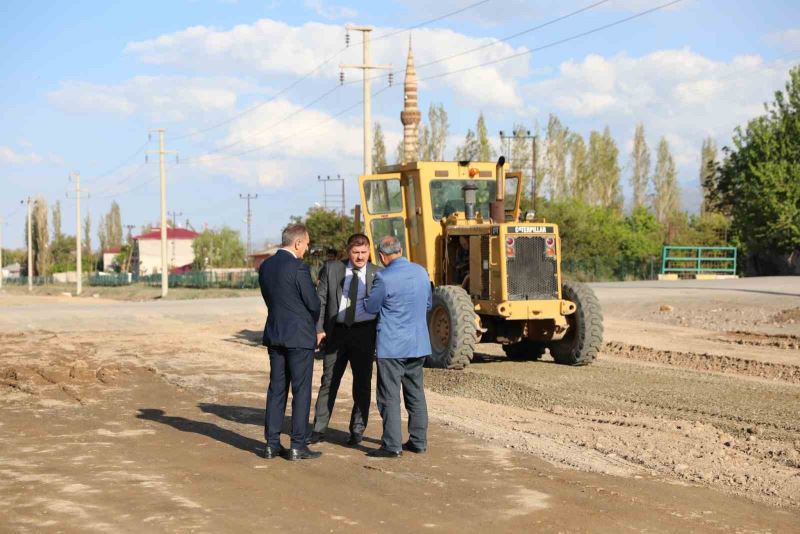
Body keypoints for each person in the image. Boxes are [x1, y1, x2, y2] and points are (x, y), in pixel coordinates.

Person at [309, 233, 381, 446]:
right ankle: (319, 429)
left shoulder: (379, 274)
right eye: (356, 252)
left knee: (362, 384)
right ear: (348, 251)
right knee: (329, 381)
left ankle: (357, 430)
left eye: (364, 252)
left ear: (369, 251)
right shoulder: (332, 269)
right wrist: (319, 328)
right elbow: (320, 301)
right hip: (337, 332)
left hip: (364, 333)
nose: (360, 257)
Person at [258, 223, 322, 461]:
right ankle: (297, 445)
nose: (306, 248)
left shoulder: (265, 266)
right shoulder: (298, 267)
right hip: (299, 336)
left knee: (276, 389)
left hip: (275, 333)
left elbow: (270, 299)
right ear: (297, 243)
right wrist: (312, 324)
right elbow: (313, 303)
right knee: (301, 390)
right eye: (306, 244)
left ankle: (271, 444)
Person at [364, 235, 431, 458]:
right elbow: (428, 303)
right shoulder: (421, 272)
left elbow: (372, 307)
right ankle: (419, 441)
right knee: (416, 394)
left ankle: (392, 446)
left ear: (382, 256)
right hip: (418, 344)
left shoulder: (383, 277)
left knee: (389, 397)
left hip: (392, 346)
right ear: (400, 250)